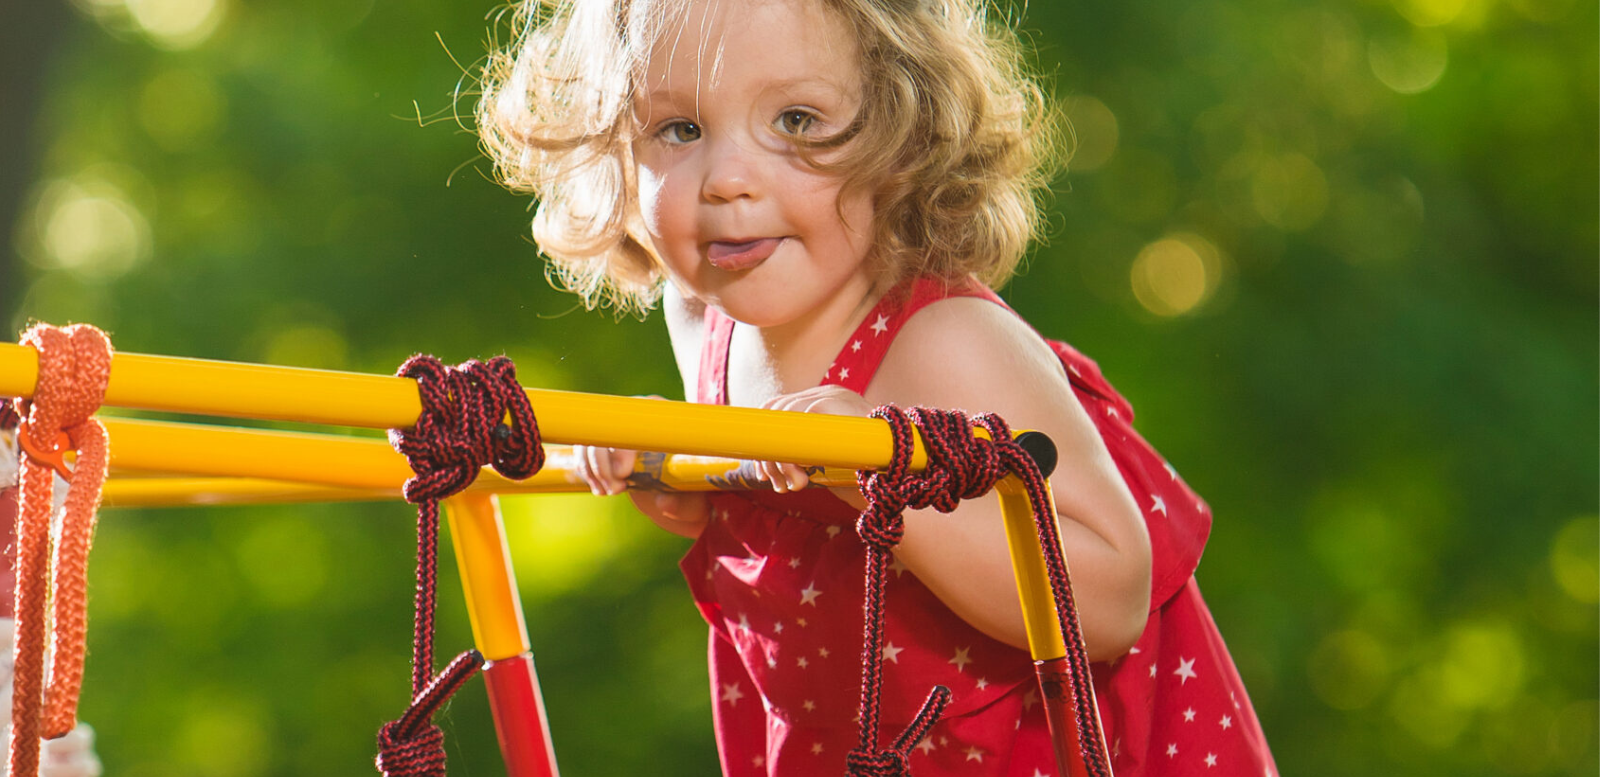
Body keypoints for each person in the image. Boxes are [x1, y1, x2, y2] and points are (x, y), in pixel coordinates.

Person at [478, 1, 1276, 775]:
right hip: (870, 742)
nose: (726, 179)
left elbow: (1109, 600)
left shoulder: (946, 344)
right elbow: (784, 519)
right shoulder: (700, 319)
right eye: (678, 130)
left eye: (796, 122)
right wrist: (687, 477)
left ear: (904, 130)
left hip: (1053, 749)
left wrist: (880, 471)